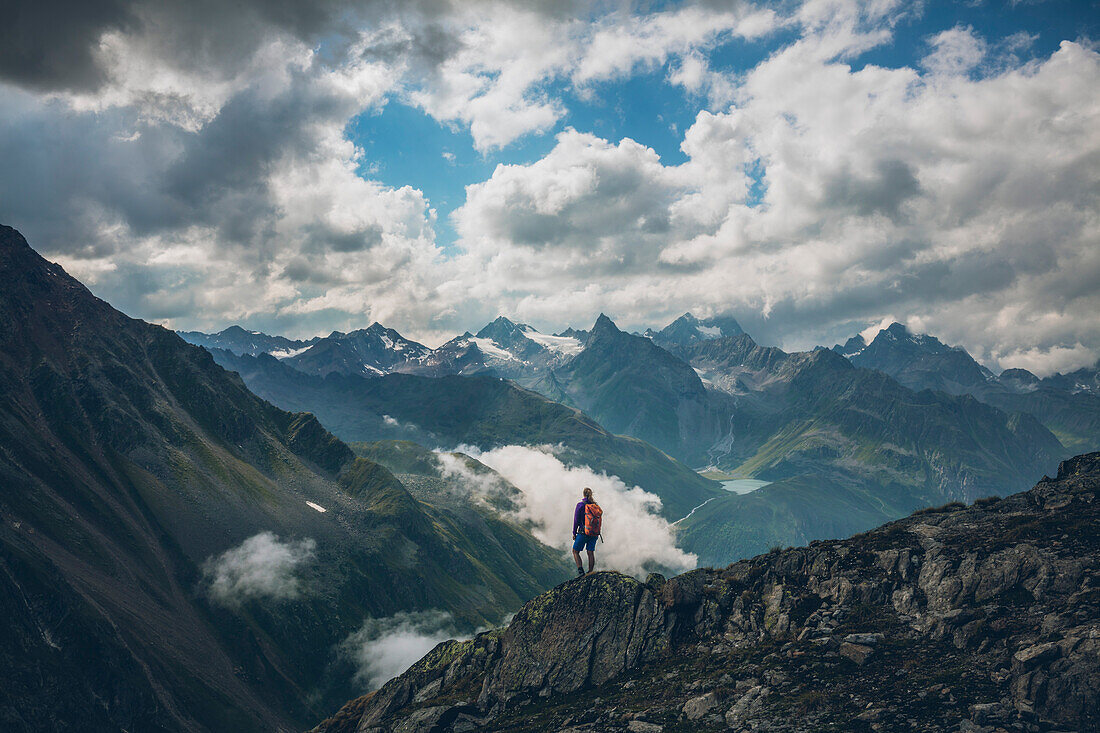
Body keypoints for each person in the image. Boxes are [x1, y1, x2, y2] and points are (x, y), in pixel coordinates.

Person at [572, 487, 602, 576]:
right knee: (590, 552)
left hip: (583, 532)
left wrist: (574, 532)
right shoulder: (596, 506)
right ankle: (590, 571)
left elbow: (576, 520)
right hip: (594, 533)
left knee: (575, 551)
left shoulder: (580, 505)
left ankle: (581, 571)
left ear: (583, 494)